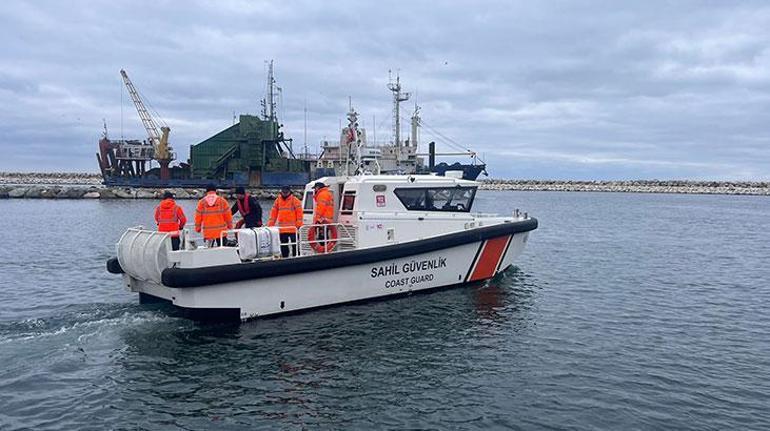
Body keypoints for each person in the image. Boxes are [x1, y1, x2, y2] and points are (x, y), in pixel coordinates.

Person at [267, 185, 303, 257]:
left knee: (295, 245)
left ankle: (296, 257)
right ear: (281, 192)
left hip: (293, 228)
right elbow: (273, 214)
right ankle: (285, 257)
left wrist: (298, 225)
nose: (285, 193)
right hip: (282, 229)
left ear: (289, 192)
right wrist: (270, 226)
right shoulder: (278, 201)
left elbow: (299, 214)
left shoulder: (295, 200)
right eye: (283, 192)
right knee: (283, 246)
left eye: (286, 192)